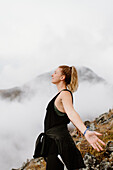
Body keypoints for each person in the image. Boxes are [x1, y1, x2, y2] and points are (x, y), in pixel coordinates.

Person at [33, 65, 106, 170]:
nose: (52, 75)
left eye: (55, 73)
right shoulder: (60, 95)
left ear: (62, 77)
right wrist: (77, 126)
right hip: (53, 142)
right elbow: (66, 113)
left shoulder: (65, 94)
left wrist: (85, 131)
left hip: (60, 141)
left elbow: (71, 112)